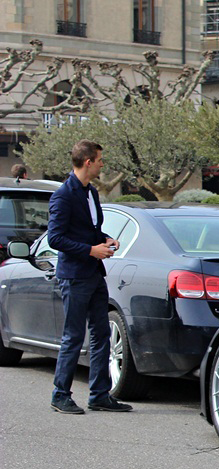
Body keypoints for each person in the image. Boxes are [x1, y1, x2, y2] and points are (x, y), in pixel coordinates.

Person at [47, 140, 132, 414]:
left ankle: (99, 395)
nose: (102, 164)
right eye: (99, 160)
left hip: (94, 274)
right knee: (72, 336)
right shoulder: (63, 195)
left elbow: (91, 230)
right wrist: (90, 250)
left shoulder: (91, 193)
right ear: (88, 162)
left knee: (102, 333)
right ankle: (60, 395)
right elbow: (55, 238)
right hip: (74, 275)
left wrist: (105, 240)